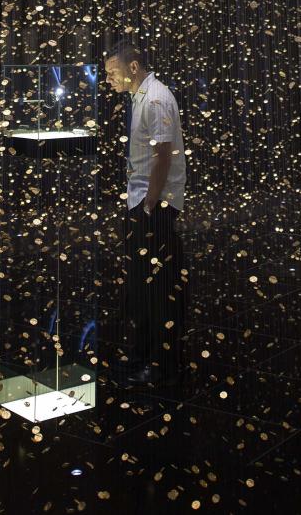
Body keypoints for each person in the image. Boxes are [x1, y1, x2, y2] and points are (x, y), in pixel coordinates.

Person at [104, 42, 187, 387]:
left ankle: (159, 363)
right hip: (145, 202)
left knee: (155, 288)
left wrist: (150, 206)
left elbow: (163, 157)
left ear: (133, 67)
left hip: (154, 205)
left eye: (112, 72)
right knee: (142, 286)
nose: (108, 79)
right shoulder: (141, 96)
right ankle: (143, 355)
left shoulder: (155, 98)